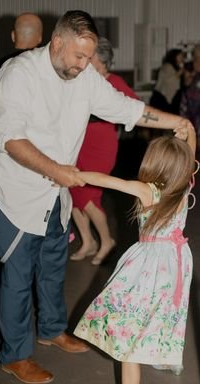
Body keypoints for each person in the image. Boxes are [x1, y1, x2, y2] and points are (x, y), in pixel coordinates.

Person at [0, 10, 193, 384]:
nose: (85, 65)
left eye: (89, 57)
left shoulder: (84, 78)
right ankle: (15, 355)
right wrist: (57, 170)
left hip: (57, 191)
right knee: (18, 274)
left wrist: (173, 121)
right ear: (58, 42)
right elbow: (11, 138)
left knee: (53, 264)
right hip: (16, 193)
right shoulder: (18, 75)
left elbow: (128, 108)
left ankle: (51, 329)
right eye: (79, 56)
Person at [74, 126, 198, 384]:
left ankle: (139, 352)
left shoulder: (148, 190)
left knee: (128, 338)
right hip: (176, 263)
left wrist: (73, 175)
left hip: (148, 265)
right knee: (162, 311)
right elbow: (191, 154)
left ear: (152, 163)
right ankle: (160, 350)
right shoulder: (183, 184)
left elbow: (109, 181)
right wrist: (190, 133)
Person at [69, 37, 139, 265]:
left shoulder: (114, 81)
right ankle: (88, 241)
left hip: (101, 144)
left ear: (100, 58)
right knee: (72, 192)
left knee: (87, 195)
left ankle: (107, 240)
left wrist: (111, 116)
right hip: (80, 142)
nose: (86, 59)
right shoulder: (85, 81)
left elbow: (135, 105)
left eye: (90, 56)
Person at [150, 48, 185, 115]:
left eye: (182, 56)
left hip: (173, 100)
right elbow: (168, 81)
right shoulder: (167, 66)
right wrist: (179, 73)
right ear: (174, 57)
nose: (182, 58)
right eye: (180, 56)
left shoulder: (178, 67)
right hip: (162, 99)